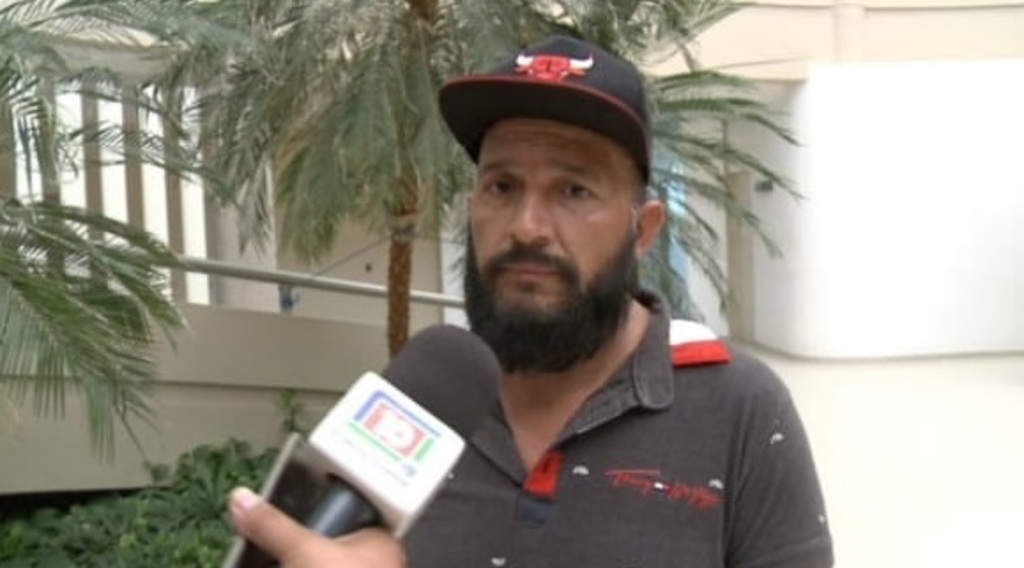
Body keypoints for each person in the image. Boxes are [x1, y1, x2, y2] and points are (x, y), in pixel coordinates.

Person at [228, 35, 833, 568]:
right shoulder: (419, 404)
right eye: (502, 186)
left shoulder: (740, 410)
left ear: (643, 230)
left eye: (574, 190)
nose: (526, 227)